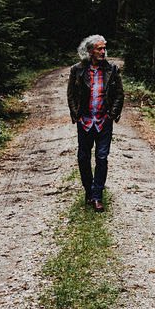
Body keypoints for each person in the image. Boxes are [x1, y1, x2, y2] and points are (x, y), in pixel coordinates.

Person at [67, 34, 124, 210]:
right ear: (90, 51)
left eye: (104, 48)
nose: (103, 51)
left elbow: (119, 94)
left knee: (102, 158)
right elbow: (71, 94)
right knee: (83, 158)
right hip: (85, 121)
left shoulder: (111, 69)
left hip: (103, 121)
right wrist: (76, 115)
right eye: (99, 48)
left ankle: (97, 195)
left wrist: (112, 115)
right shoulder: (77, 70)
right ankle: (89, 191)